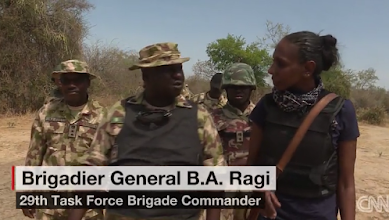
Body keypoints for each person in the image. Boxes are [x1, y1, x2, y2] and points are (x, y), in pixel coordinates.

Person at [67, 42, 227, 220]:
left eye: (179, 69)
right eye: (168, 70)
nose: (178, 76)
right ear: (146, 76)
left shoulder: (199, 116)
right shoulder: (119, 113)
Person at [247, 31, 359, 220]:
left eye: (280, 64)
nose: (270, 70)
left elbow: (346, 183)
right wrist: (259, 189)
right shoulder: (266, 107)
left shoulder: (340, 110)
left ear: (308, 68)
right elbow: (251, 165)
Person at [23, 60, 106, 220]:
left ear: (88, 82)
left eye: (78, 80)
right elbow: (34, 153)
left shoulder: (102, 115)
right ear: (59, 84)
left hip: (87, 206)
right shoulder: (46, 112)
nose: (71, 85)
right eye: (66, 80)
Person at [210, 63, 256, 220]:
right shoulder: (211, 118)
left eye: (243, 86)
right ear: (225, 88)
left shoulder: (263, 117)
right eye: (233, 86)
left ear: (251, 88)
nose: (238, 90)